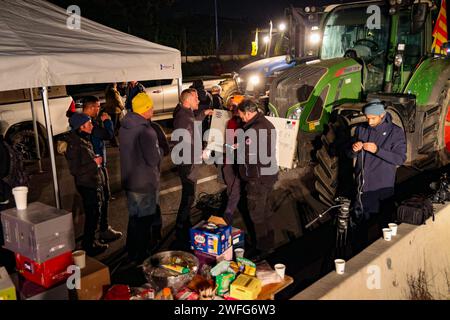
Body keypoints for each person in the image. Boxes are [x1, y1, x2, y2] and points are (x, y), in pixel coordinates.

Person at [347, 99, 406, 248]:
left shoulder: (395, 132)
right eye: (367, 118)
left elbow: (400, 158)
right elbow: (349, 154)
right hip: (362, 188)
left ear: (382, 115)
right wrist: (354, 149)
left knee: (383, 226)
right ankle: (358, 256)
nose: (369, 121)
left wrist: (377, 150)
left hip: (382, 189)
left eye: (373, 118)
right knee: (360, 230)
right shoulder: (362, 129)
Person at [119, 92, 168, 263]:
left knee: (134, 219)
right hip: (144, 182)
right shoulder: (146, 131)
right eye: (151, 107)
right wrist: (161, 151)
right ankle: (141, 256)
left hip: (130, 180)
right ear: (146, 109)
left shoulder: (125, 126)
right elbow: (153, 158)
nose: (153, 110)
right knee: (145, 222)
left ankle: (132, 251)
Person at [172, 88, 213, 248]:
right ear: (188, 100)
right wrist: (200, 153)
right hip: (188, 163)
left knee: (189, 195)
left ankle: (185, 222)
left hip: (188, 161)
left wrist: (204, 114)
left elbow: (194, 123)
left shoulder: (185, 112)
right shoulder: (184, 118)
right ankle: (181, 229)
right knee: (188, 197)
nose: (199, 101)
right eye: (196, 98)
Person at [236, 98, 278, 255]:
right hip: (268, 176)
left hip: (258, 178)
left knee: (256, 215)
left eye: (242, 116)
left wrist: (236, 150)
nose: (241, 119)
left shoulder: (254, 130)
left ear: (248, 113)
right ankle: (269, 244)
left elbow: (247, 156)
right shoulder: (266, 123)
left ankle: (262, 249)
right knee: (265, 211)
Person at [66, 113, 108, 256]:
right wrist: (94, 163)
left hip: (91, 182)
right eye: (89, 123)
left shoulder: (82, 139)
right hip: (86, 184)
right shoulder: (75, 144)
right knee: (92, 215)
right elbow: (75, 169)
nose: (92, 125)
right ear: (81, 127)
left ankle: (91, 241)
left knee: (95, 214)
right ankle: (89, 245)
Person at [81, 96, 122, 243]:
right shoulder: (88, 123)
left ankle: (96, 233)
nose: (99, 110)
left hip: (90, 169)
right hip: (95, 169)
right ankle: (100, 232)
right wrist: (108, 121)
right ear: (91, 107)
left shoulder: (81, 121)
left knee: (97, 202)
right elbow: (108, 135)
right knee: (101, 200)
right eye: (97, 107)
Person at [221, 95, 245, 225]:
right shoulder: (231, 122)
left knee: (235, 190)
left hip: (240, 163)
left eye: (235, 106)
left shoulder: (247, 123)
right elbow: (229, 143)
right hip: (230, 161)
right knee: (231, 189)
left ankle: (227, 218)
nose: (231, 108)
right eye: (231, 106)